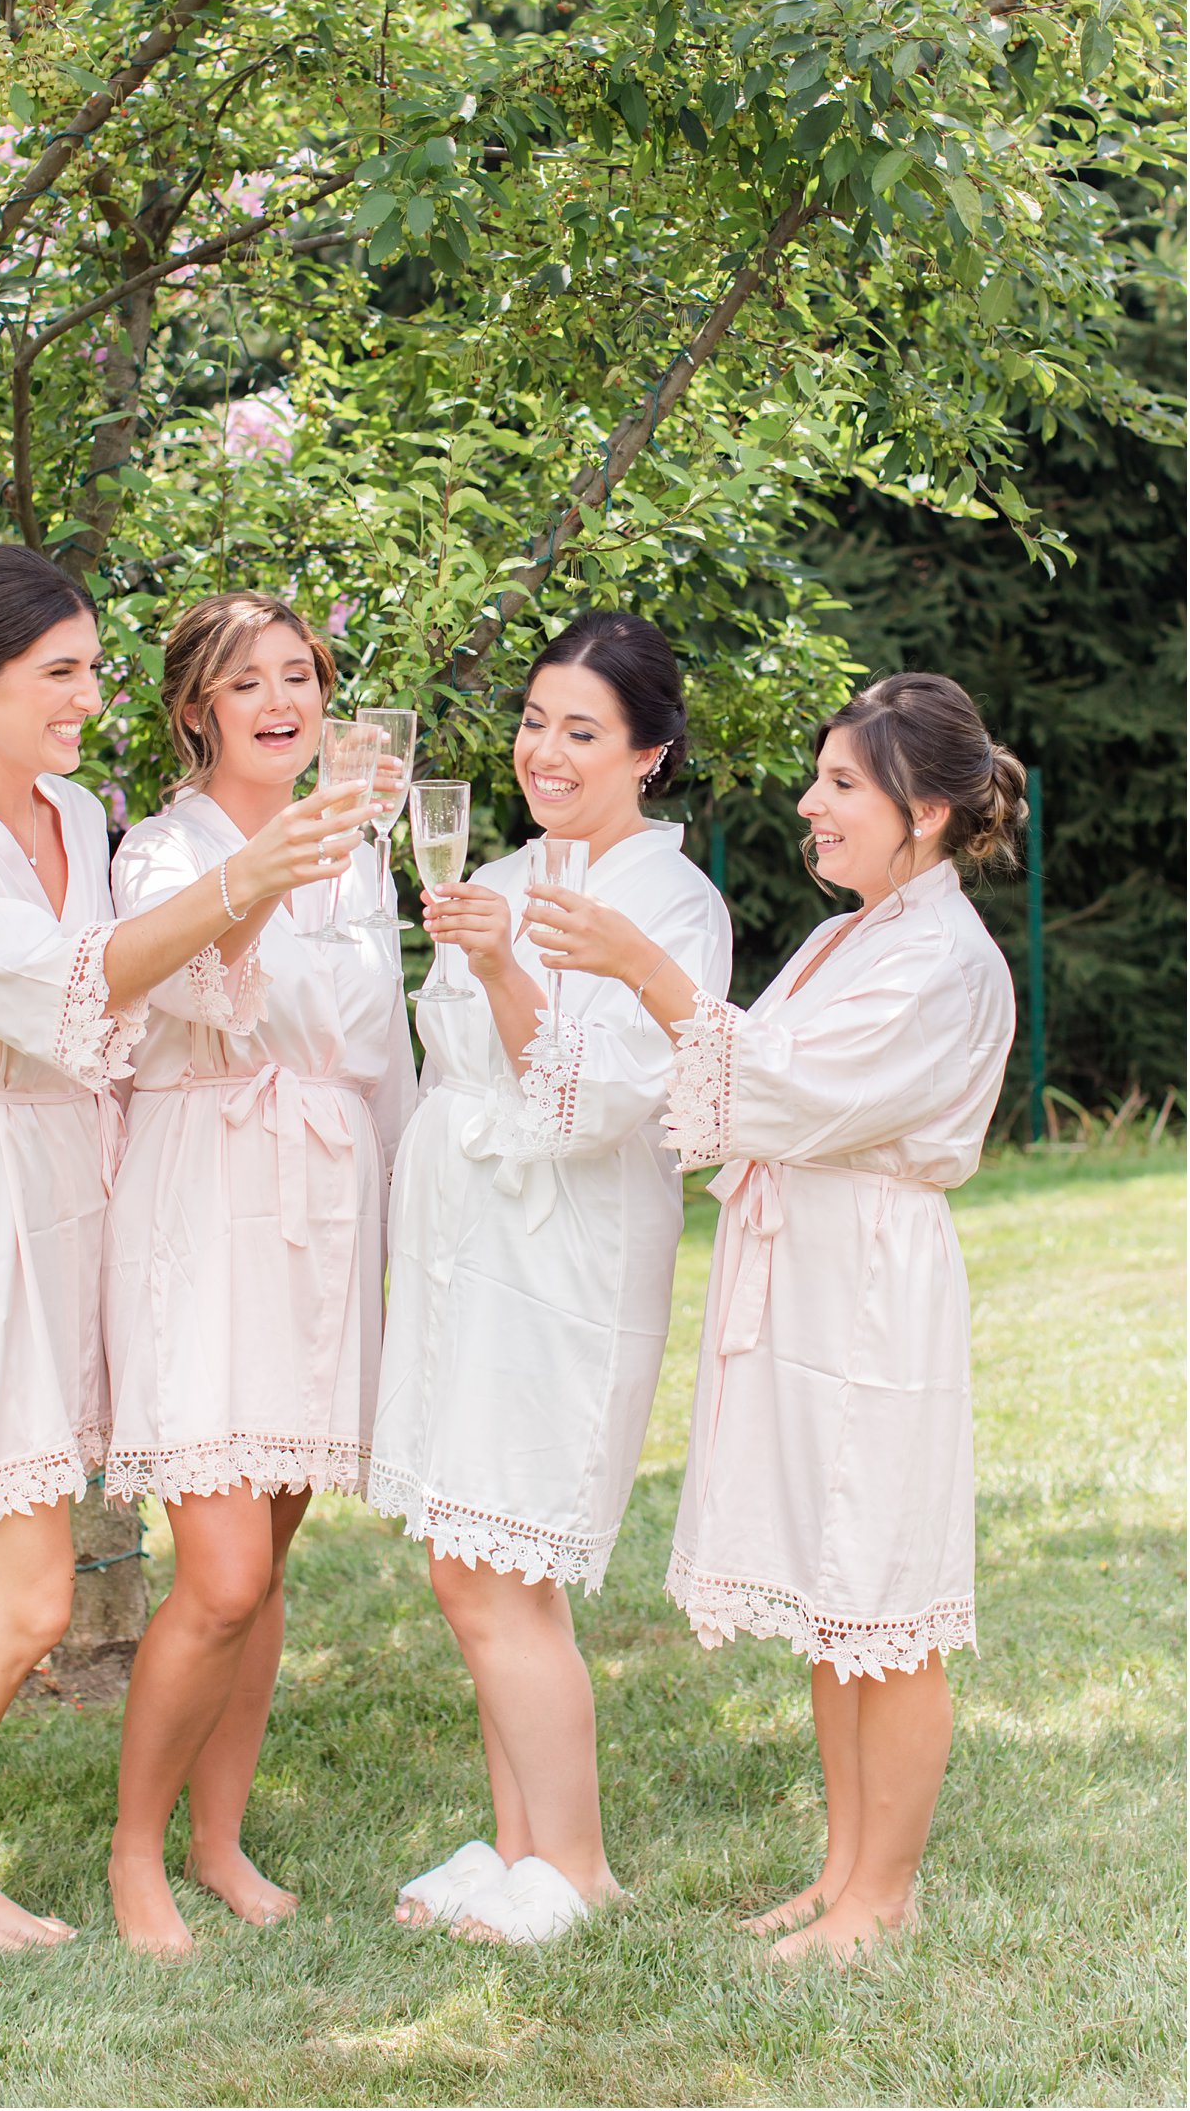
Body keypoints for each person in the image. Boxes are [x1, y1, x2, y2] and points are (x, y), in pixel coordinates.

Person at [0, 547, 363, 1955]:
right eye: (59, 672)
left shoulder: (71, 808)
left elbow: (149, 995)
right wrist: (246, 873)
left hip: (80, 1185)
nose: (89, 696)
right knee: (20, 1595)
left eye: (89, 666)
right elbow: (73, 987)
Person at [526, 672, 1022, 1965]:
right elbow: (759, 1078)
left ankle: (885, 1898)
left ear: (923, 808)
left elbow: (788, 1087)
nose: (811, 802)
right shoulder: (850, 930)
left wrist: (642, 966)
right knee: (828, 1588)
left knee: (886, 1598)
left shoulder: (942, 958)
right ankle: (840, 1871)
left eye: (842, 783)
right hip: (802, 1266)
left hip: (870, 1283)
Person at [368, 611, 731, 1946]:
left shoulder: (672, 901)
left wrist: (495, 959)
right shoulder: (508, 865)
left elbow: (589, 1101)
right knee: (467, 1553)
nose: (544, 749)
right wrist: (485, 942)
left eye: (582, 730)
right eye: (533, 721)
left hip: (563, 1249)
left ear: (650, 752)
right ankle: (517, 1843)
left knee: (503, 1559)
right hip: (469, 1243)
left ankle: (575, 1864)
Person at [102, 592, 415, 1958]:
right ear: (196, 710)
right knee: (218, 1570)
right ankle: (132, 1852)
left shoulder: (364, 858)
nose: (282, 699)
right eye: (249, 682)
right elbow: (191, 994)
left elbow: (381, 1048)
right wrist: (274, 868)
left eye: (302, 675)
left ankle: (220, 1840)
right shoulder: (160, 852)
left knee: (268, 1562)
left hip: (325, 1210)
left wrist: (404, 1224)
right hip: (206, 1202)